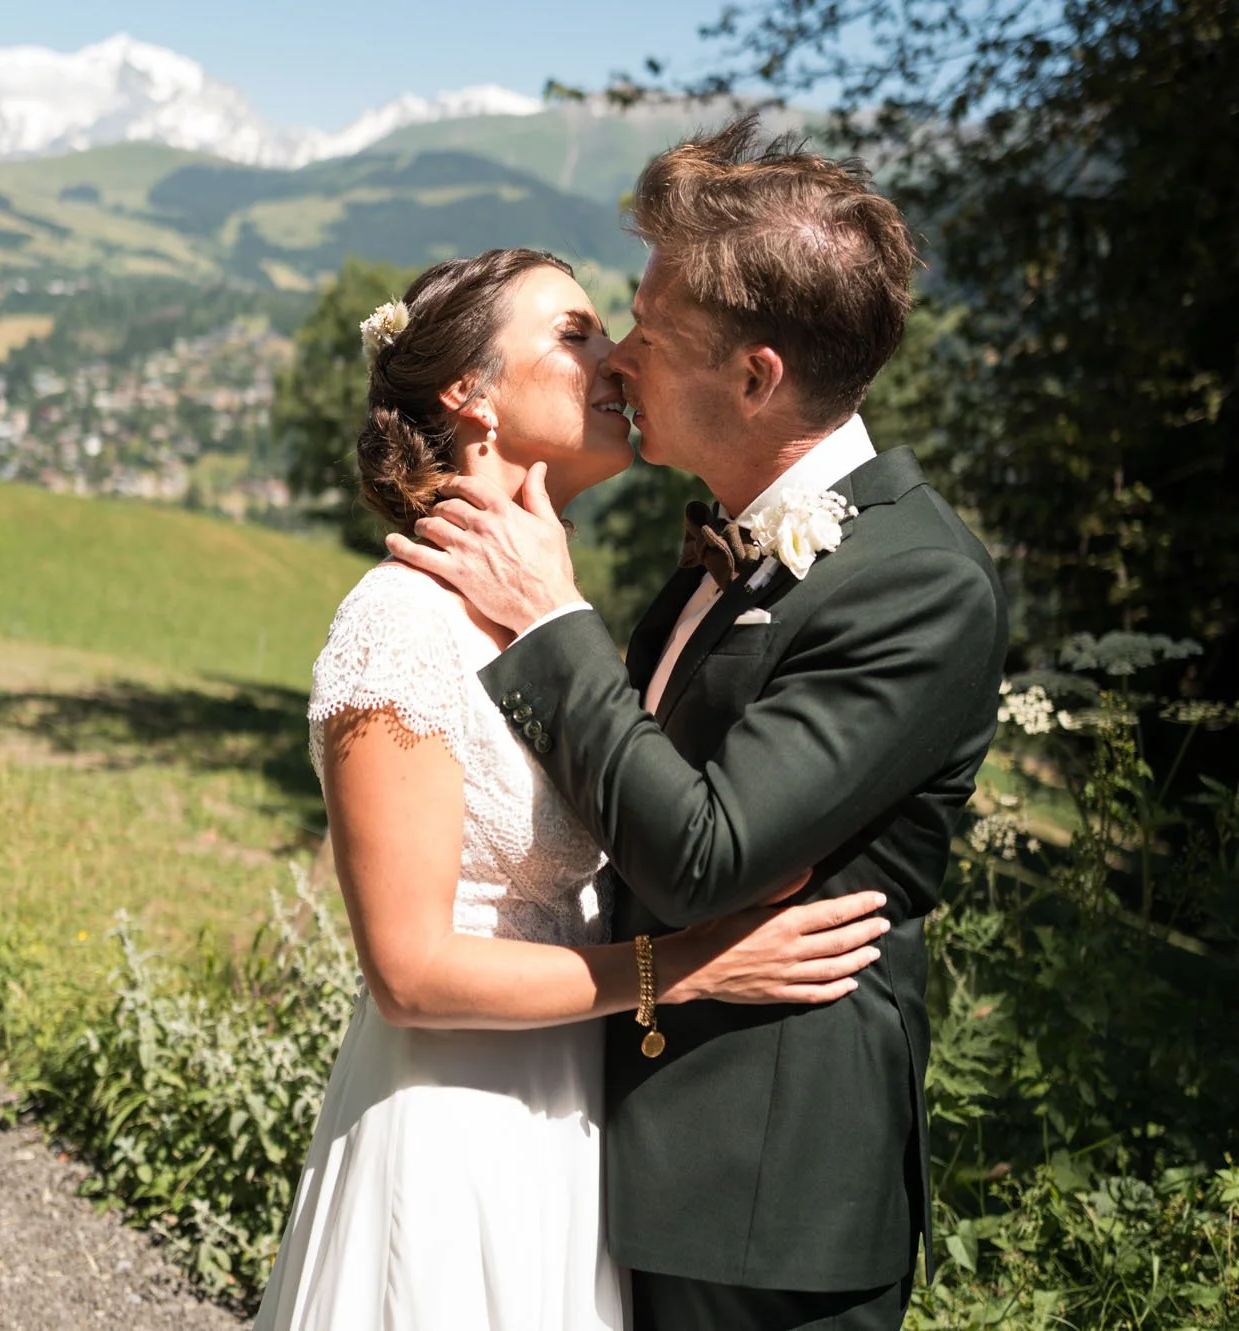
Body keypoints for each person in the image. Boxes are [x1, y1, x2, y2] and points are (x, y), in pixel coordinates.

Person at [390, 120, 1010, 1331]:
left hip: (762, 1203)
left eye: (652, 333)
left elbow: (702, 857)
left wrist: (547, 620)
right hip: (621, 1155)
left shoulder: (915, 583)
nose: (616, 357)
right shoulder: (713, 557)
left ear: (755, 375)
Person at [252, 247, 892, 1331]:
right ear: (470, 393)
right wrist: (683, 968)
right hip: (451, 1132)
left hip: (570, 1124)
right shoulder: (398, 624)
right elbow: (406, 971)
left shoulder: (551, 618)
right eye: (576, 333)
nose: (619, 361)